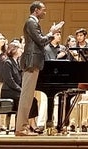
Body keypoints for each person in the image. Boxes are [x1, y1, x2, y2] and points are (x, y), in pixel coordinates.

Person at [16, 0, 63, 136]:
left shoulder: (34, 22)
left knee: (29, 96)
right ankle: (21, 128)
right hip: (31, 62)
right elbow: (41, 41)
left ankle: (22, 127)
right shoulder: (31, 22)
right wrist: (52, 32)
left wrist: (50, 33)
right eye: (43, 9)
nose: (45, 12)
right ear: (36, 10)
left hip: (34, 62)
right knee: (27, 96)